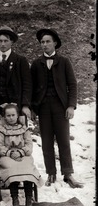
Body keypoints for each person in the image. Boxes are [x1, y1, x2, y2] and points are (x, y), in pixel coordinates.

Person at [31, 28, 83, 188]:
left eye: (48, 41)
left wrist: (71, 106)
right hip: (43, 108)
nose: (44, 44)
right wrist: (33, 108)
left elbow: (72, 85)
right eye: (42, 42)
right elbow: (31, 87)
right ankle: (51, 174)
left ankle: (68, 174)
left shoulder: (64, 62)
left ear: (55, 43)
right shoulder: (36, 63)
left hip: (61, 107)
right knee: (46, 142)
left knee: (63, 141)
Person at [0, 103, 42, 206]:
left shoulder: (24, 128)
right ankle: (15, 199)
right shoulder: (1, 129)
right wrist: (10, 153)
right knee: (12, 168)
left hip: (23, 154)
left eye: (13, 115)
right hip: (7, 155)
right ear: (4, 117)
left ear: (17, 115)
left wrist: (21, 152)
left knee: (27, 167)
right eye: (8, 116)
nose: (11, 118)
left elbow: (29, 144)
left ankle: (28, 199)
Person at [0, 25, 32, 119]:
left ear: (12, 42)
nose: (3, 44)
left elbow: (27, 84)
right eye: (0, 41)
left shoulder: (20, 60)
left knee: (17, 132)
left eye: (6, 41)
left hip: (16, 107)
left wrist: (25, 105)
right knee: (0, 132)